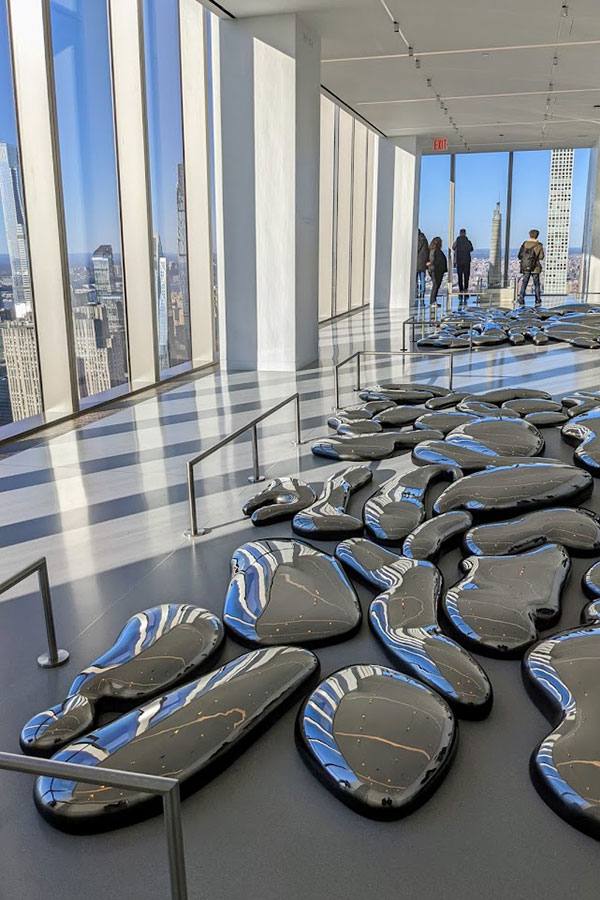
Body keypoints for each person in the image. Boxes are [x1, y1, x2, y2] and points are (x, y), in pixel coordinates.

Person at [517, 229, 545, 305]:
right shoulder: (539, 245)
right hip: (535, 267)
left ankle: (521, 298)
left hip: (526, 266)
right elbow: (541, 257)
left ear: (529, 235)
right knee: (536, 283)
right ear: (537, 236)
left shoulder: (524, 244)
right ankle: (538, 299)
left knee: (524, 282)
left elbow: (519, 256)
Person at [426, 236, 447, 306]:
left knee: (436, 285)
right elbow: (437, 261)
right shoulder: (436, 251)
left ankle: (433, 300)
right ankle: (432, 301)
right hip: (436, 270)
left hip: (433, 269)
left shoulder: (431, 250)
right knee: (436, 285)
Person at [452, 228, 474, 295]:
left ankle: (461, 289)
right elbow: (471, 249)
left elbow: (453, 247)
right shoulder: (468, 241)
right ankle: (466, 289)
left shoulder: (457, 242)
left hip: (459, 260)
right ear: (465, 233)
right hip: (466, 261)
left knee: (460, 276)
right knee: (466, 276)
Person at [416, 228, 428, 297]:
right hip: (423, 262)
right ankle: (422, 292)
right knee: (422, 278)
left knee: (416, 278)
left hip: (417, 261)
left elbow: (416, 248)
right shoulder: (425, 240)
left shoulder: (416, 240)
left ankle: (416, 291)